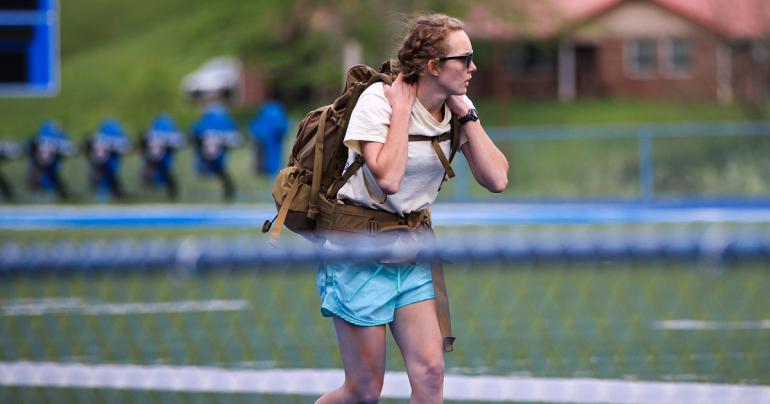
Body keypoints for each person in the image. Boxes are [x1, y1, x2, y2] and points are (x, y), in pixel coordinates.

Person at [315, 14, 508, 403]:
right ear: (433, 66)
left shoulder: (456, 107)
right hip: (359, 250)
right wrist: (401, 110)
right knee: (364, 389)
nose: (473, 66)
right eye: (464, 58)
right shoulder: (378, 100)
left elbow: (497, 179)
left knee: (430, 374)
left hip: (412, 249)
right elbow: (388, 178)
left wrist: (467, 114)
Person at [189, 102, 243, 201]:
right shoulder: (225, 122)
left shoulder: (204, 122)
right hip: (215, 154)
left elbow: (194, 134)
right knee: (219, 172)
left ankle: (228, 192)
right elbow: (236, 139)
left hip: (209, 154)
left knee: (217, 172)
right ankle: (228, 192)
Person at [140, 114, 186, 200]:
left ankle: (171, 193)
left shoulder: (150, 133)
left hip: (155, 157)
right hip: (155, 157)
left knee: (164, 174)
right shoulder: (170, 134)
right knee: (163, 174)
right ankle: (170, 192)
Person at [26, 120, 76, 200]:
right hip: (42, 169)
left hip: (49, 169)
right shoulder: (53, 139)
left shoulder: (41, 139)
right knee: (38, 173)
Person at [84, 119, 132, 199]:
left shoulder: (98, 138)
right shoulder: (107, 138)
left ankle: (112, 191)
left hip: (107, 167)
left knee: (108, 177)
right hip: (102, 165)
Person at [248, 99, 289, 179]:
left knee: (263, 155)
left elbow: (255, 125)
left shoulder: (268, 111)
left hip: (264, 137)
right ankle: (268, 171)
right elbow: (283, 126)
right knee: (269, 155)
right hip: (269, 138)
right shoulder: (277, 111)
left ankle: (264, 171)